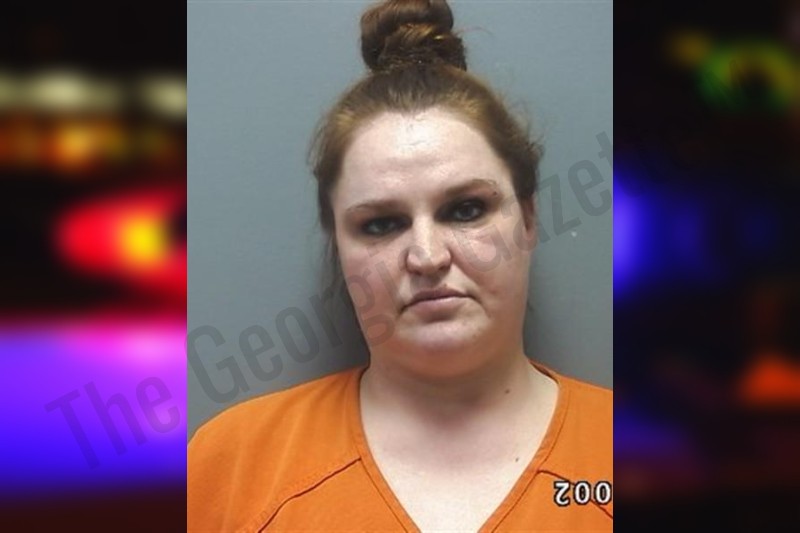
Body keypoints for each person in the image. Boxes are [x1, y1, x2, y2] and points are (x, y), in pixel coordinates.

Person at [187, 0, 612, 531]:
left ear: (527, 220)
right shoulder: (230, 468)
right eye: (382, 224)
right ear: (338, 243)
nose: (428, 257)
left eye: (466, 210)